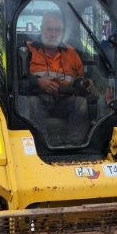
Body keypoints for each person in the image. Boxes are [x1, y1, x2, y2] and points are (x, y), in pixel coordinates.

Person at [22, 11, 91, 145]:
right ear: (41, 29)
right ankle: (41, 145)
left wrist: (86, 83)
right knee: (32, 103)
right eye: (49, 29)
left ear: (62, 32)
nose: (53, 34)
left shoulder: (71, 53)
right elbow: (16, 82)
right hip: (38, 100)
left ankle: (72, 145)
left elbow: (80, 79)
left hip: (62, 101)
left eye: (57, 30)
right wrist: (37, 82)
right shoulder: (27, 51)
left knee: (80, 103)